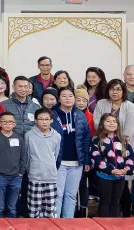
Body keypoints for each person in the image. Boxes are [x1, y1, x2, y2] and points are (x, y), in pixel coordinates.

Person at [52, 86, 91, 218]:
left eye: (70, 96)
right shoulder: (53, 115)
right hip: (58, 162)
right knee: (58, 194)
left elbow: (86, 139)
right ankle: (55, 222)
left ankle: (68, 222)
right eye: (64, 96)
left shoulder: (80, 115)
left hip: (76, 163)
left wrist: (86, 160)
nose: (67, 99)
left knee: (71, 195)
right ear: (58, 99)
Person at [91, 112, 134, 218]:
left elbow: (130, 157)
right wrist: (111, 170)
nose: (112, 123)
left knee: (116, 202)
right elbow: (96, 159)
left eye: (114, 121)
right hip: (105, 177)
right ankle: (104, 224)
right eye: (108, 121)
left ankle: (114, 224)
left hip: (120, 177)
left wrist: (126, 170)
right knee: (105, 202)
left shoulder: (123, 140)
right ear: (102, 123)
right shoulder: (97, 141)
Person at [23, 108, 61, 218]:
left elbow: (56, 155)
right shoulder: (29, 135)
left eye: (46, 119)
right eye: (41, 119)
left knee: (50, 209)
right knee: (34, 209)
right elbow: (27, 155)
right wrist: (30, 170)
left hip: (51, 177)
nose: (44, 122)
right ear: (35, 120)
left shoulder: (57, 136)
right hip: (35, 176)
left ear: (51, 120)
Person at [0, 111, 23, 217]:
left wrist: (21, 172)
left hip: (16, 176)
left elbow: (23, 156)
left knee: (12, 207)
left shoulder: (19, 138)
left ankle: (11, 223)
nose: (7, 124)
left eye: (10, 122)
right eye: (4, 122)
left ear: (14, 124)